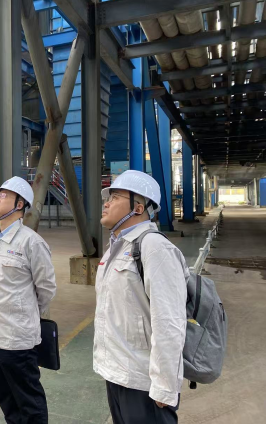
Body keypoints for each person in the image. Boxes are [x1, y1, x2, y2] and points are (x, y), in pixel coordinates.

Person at [94, 170, 190, 424]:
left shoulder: (155, 248)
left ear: (138, 208)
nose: (106, 203)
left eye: (115, 197)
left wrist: (165, 385)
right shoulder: (117, 247)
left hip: (143, 381)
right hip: (117, 373)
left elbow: (169, 322)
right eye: (108, 198)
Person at [0, 176, 57, 424]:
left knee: (29, 402)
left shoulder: (31, 242)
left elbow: (46, 288)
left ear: (20, 204)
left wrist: (27, 315)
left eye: (4, 195)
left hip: (17, 339)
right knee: (8, 401)